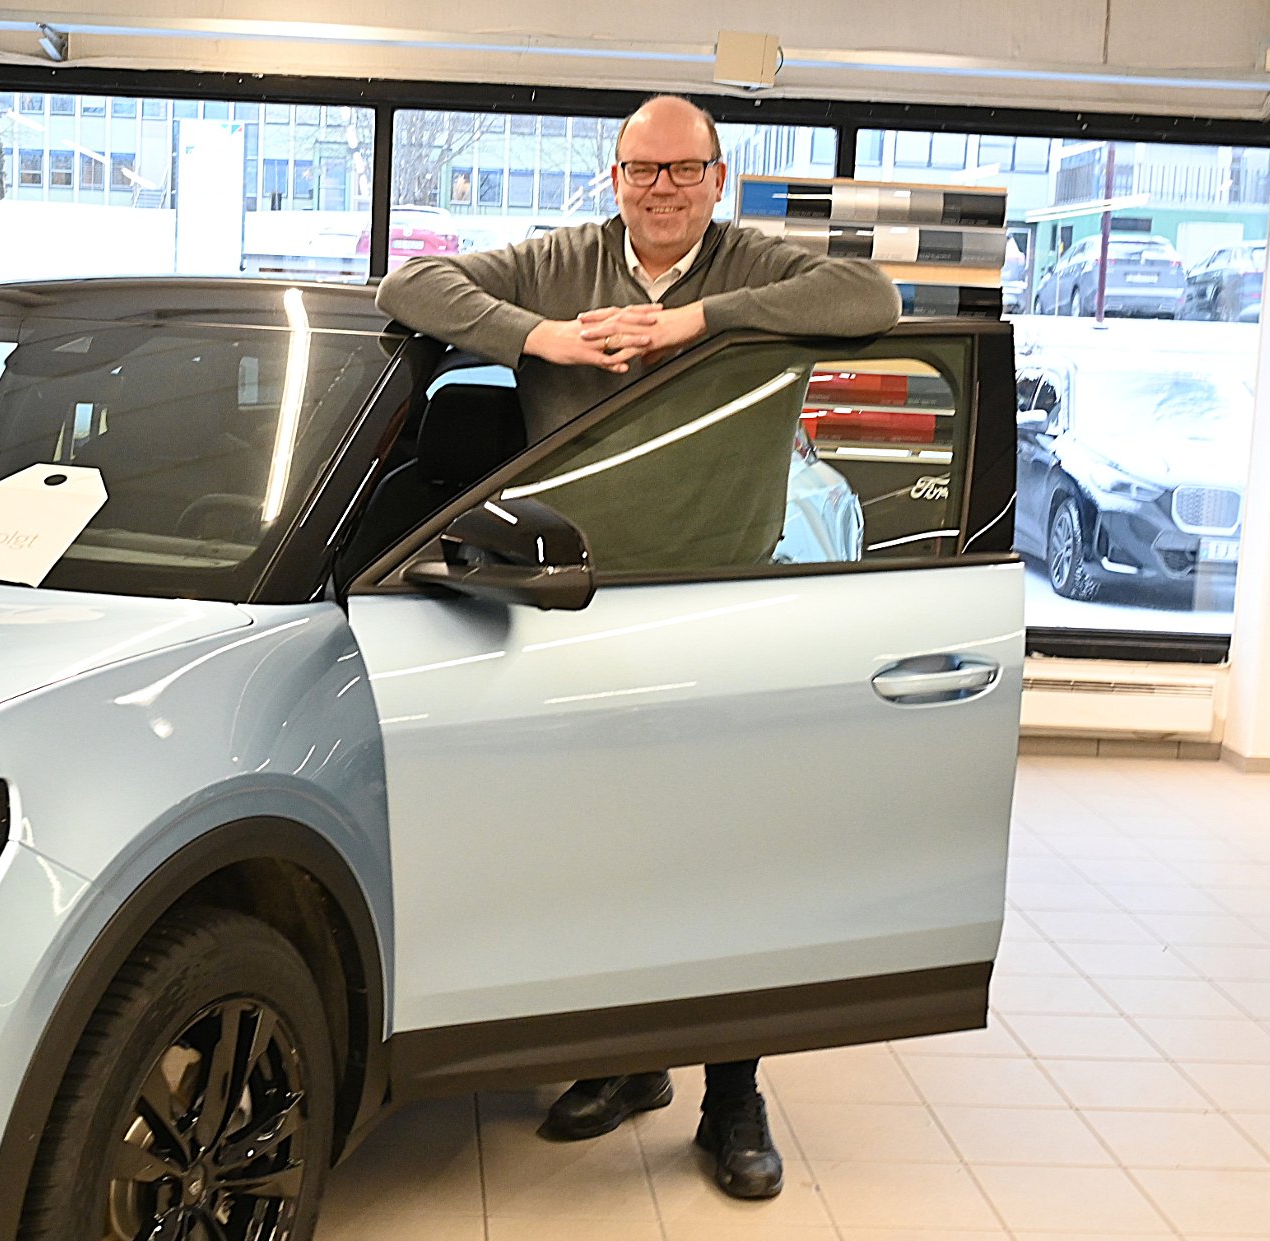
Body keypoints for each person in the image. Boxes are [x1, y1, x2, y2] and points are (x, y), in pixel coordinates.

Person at [375, 93, 901, 1201]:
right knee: (599, 850)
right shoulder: (555, 264)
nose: (661, 189)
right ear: (613, 177)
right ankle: (623, 1058)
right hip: (576, 599)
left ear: (718, 178)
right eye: (641, 170)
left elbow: (872, 298)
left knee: (724, 858)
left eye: (683, 169)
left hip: (720, 604)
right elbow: (409, 285)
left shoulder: (757, 265)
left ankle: (732, 1095)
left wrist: (696, 324)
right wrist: (544, 337)